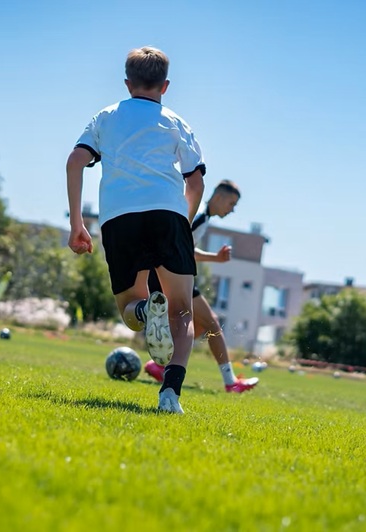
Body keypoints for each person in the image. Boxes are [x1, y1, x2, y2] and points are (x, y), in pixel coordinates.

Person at [66, 46, 205, 414]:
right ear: (166, 86)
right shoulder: (176, 122)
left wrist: (77, 223)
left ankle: (146, 312)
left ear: (127, 83)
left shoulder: (106, 116)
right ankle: (170, 394)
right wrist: (183, 224)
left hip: (119, 217)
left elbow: (76, 161)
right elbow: (195, 182)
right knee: (182, 312)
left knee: (129, 309)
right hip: (168, 213)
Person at [144, 180, 259, 393]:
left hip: (173, 273)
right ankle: (230, 382)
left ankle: (160, 366)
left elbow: (186, 249)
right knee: (213, 324)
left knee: (202, 325)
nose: (232, 210)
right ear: (219, 197)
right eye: (231, 203)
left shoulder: (202, 218)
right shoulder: (197, 216)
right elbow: (176, 246)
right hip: (173, 274)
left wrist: (215, 258)